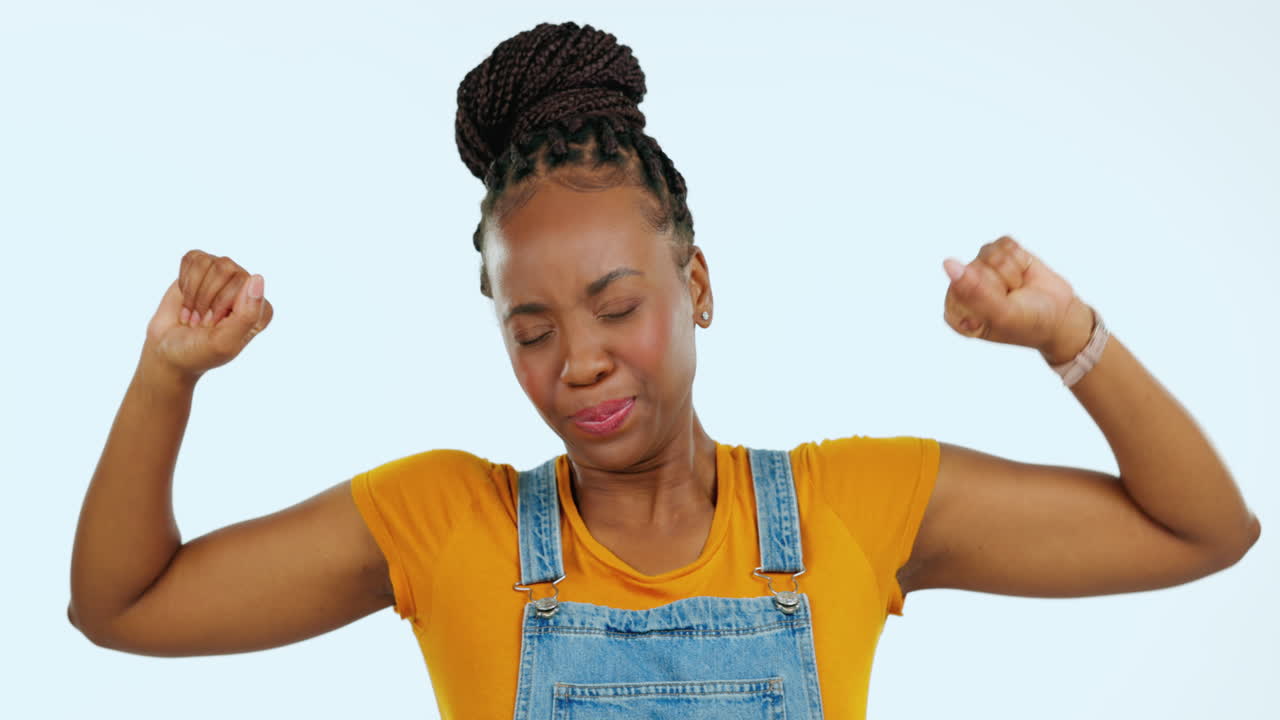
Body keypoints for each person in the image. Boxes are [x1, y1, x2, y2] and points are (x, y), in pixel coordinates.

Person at [68, 20, 1260, 720]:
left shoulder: (849, 509)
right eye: (528, 329)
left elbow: (1201, 531)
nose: (578, 362)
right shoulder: (442, 523)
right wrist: (167, 375)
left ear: (694, 286)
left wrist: (1067, 338)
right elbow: (121, 608)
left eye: (614, 304)